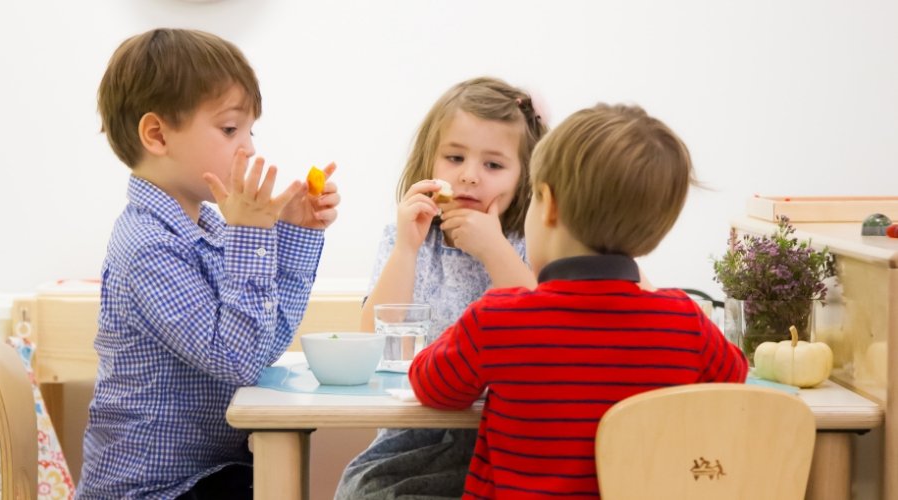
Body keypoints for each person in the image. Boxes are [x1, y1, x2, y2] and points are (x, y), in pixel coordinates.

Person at [409, 103, 748, 498]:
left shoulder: (498, 318)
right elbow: (734, 382)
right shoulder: (684, 323)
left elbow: (432, 386)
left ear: (548, 204)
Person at [77, 28, 340, 500]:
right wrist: (253, 235)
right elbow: (237, 359)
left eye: (250, 131)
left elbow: (259, 346)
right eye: (229, 130)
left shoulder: (213, 229)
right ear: (157, 135)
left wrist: (296, 234)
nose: (250, 149)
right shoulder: (147, 245)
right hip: (152, 490)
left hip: (209, 473)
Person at [335, 77, 548, 499]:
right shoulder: (409, 240)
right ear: (430, 162)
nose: (469, 177)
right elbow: (374, 340)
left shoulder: (529, 241)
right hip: (411, 439)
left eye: (493, 165)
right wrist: (406, 249)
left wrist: (494, 250)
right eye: (455, 157)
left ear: (525, 176)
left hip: (507, 444)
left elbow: (545, 325)